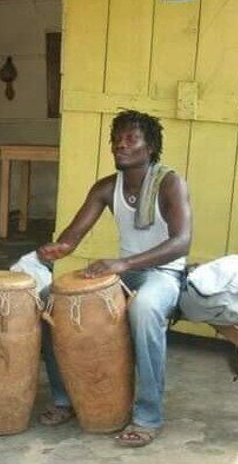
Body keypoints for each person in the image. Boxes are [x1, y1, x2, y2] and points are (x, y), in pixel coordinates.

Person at [36, 110, 192, 447]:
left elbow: (182, 242)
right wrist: (57, 249)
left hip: (164, 273)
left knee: (146, 309)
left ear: (150, 147)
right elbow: (72, 236)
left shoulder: (170, 182)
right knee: (52, 301)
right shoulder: (107, 187)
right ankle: (65, 399)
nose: (120, 146)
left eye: (130, 139)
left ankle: (148, 416)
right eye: (116, 140)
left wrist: (124, 264)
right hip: (127, 271)